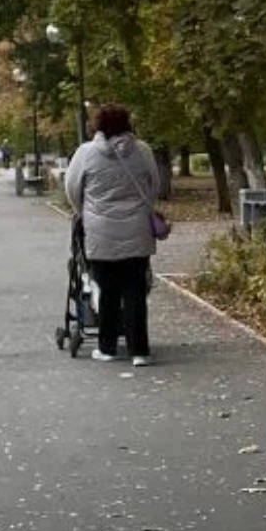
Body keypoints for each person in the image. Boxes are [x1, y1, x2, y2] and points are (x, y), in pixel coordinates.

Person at [63, 103, 164, 365]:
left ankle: (107, 348)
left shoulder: (85, 153)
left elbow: (72, 188)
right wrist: (141, 208)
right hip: (137, 231)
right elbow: (154, 185)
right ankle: (139, 351)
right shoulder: (142, 151)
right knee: (135, 292)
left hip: (100, 232)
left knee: (107, 291)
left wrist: (84, 211)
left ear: (98, 125)